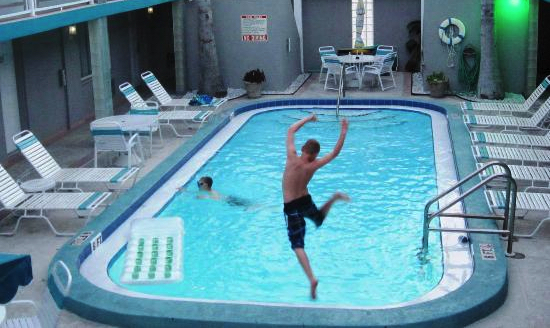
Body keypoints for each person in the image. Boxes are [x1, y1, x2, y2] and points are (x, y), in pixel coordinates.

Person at [282, 114, 350, 300]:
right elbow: (335, 153)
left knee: (297, 245)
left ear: (303, 149)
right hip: (305, 200)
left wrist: (308, 119)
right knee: (318, 219)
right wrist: (343, 131)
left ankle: (311, 279)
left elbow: (290, 130)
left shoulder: (292, 158)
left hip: (292, 207)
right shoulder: (314, 165)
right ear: (315, 155)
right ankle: (334, 198)